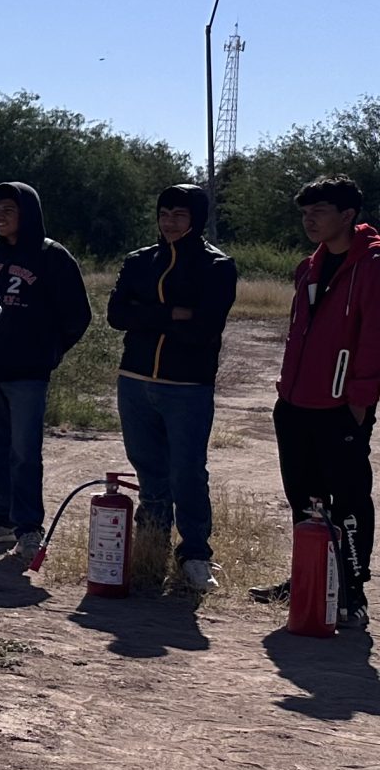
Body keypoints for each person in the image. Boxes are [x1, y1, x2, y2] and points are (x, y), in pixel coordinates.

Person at [107, 183, 239, 591]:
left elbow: (204, 329)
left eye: (179, 215)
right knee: (149, 470)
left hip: (187, 386)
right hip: (135, 380)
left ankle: (196, 554)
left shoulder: (216, 266)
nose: (170, 222)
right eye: (164, 213)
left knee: (187, 472)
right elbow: (115, 314)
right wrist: (172, 313)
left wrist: (147, 316)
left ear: (195, 219)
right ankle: (151, 548)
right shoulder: (139, 261)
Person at [273, 175, 379, 625]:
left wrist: (358, 402)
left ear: (348, 215)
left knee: (350, 500)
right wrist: (286, 393)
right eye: (305, 213)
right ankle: (311, 579)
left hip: (341, 408)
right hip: (296, 405)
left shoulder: (373, 266)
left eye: (319, 211)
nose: (309, 220)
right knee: (305, 498)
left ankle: (352, 592)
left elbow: (374, 337)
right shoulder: (309, 267)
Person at [0, 181, 90, 552]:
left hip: (28, 374)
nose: (1, 216)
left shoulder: (51, 256)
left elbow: (77, 316)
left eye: (9, 209)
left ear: (28, 212)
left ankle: (28, 528)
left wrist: (50, 352)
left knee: (25, 453)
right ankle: (0, 520)